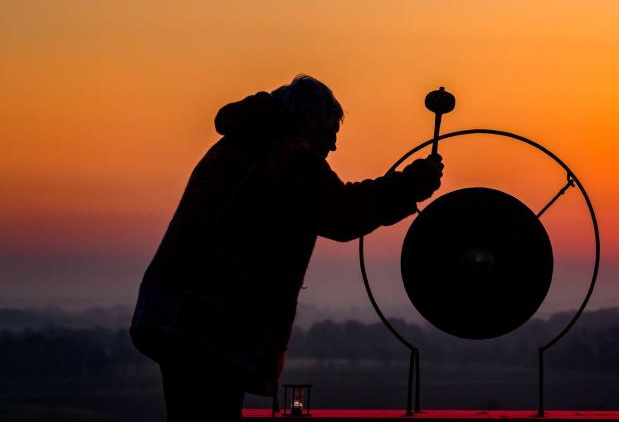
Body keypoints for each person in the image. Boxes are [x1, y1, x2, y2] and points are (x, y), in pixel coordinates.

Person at [130, 75, 443, 420]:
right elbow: (340, 212)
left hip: (171, 311)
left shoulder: (236, 146)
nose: (333, 148)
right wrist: (407, 186)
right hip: (213, 322)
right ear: (308, 123)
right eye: (330, 133)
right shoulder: (286, 154)